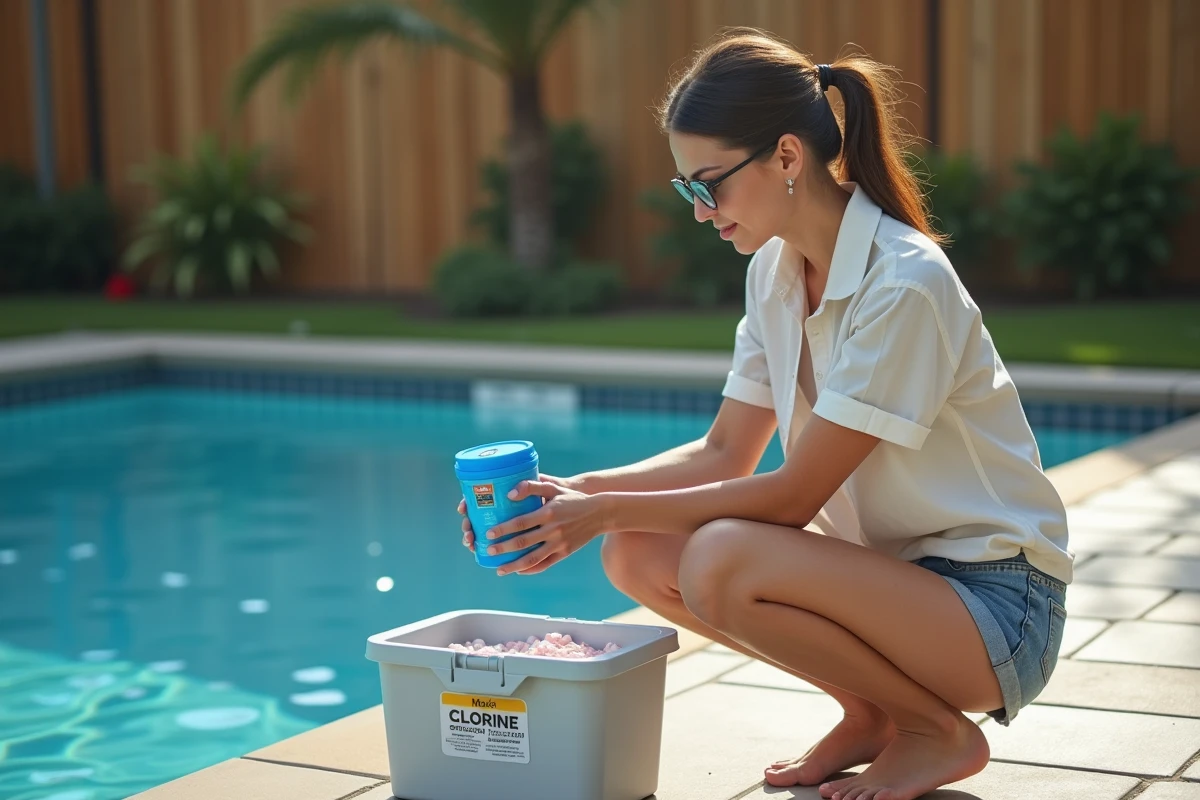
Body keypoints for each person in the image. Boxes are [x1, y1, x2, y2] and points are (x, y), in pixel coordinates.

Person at [458, 30, 1071, 800]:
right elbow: (723, 453)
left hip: (998, 609)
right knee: (636, 550)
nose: (699, 210)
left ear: (787, 157)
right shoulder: (777, 273)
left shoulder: (904, 284)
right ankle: (871, 712)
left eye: (709, 184)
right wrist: (567, 496)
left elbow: (790, 497)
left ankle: (936, 730)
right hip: (899, 583)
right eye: (688, 190)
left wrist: (600, 509)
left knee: (718, 554)